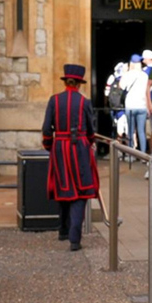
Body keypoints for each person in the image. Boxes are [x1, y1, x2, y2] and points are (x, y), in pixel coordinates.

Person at [42, 64, 100, 251]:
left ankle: (63, 230)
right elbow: (91, 131)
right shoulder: (84, 102)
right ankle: (74, 238)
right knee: (81, 192)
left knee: (64, 187)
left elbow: (46, 130)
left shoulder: (54, 100)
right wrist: (89, 142)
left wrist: (51, 146)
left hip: (60, 147)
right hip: (80, 149)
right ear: (79, 83)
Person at [120, 54, 150, 153]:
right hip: (142, 106)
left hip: (131, 105)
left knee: (131, 130)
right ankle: (143, 154)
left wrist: (124, 72)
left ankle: (131, 154)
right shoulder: (145, 75)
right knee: (141, 131)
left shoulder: (127, 75)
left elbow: (121, 86)